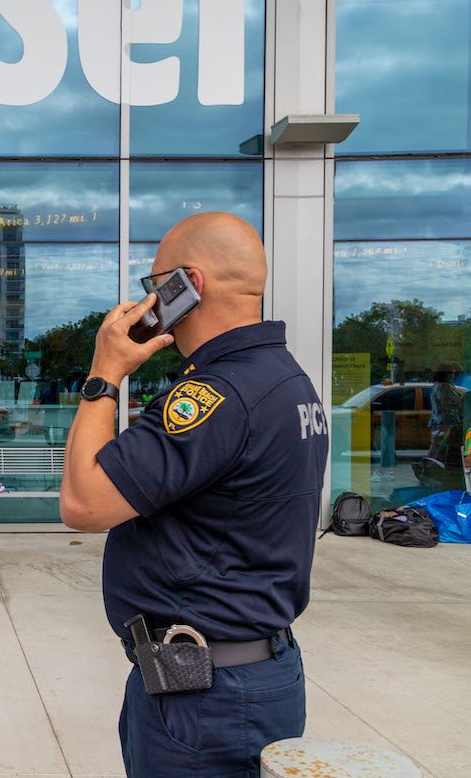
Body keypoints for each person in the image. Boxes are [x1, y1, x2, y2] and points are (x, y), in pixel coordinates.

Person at [58, 212, 328, 777]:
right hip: (248, 674)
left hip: (206, 697)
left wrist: (104, 373)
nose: (150, 302)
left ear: (190, 285)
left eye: (155, 287)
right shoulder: (284, 379)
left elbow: (85, 503)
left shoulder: (215, 394)